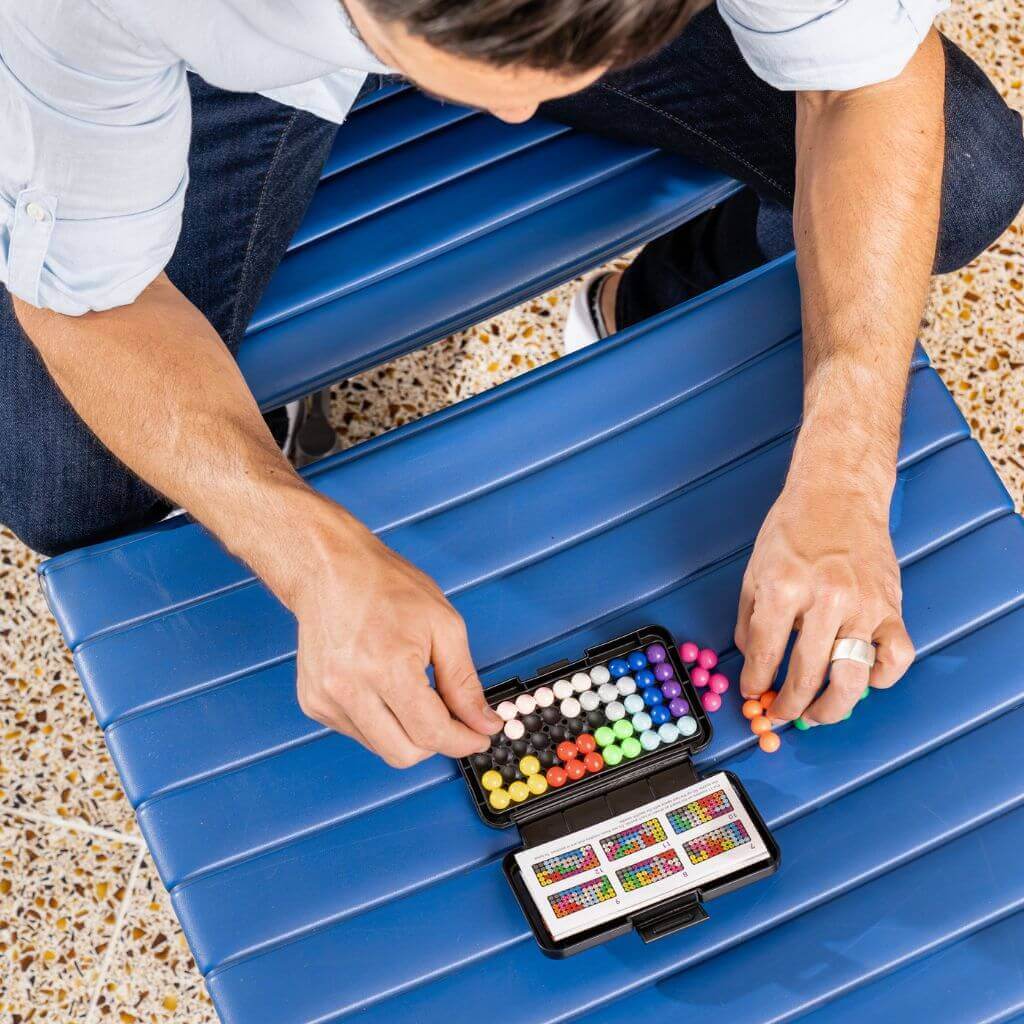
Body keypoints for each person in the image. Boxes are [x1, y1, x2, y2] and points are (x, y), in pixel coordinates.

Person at [1, 0, 1021, 765]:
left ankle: (655, 302)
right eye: (492, 72)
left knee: (964, 173)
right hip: (206, 54)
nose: (521, 113)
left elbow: (864, 86)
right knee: (64, 476)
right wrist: (305, 551)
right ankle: (252, 411)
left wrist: (847, 469)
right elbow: (89, 303)